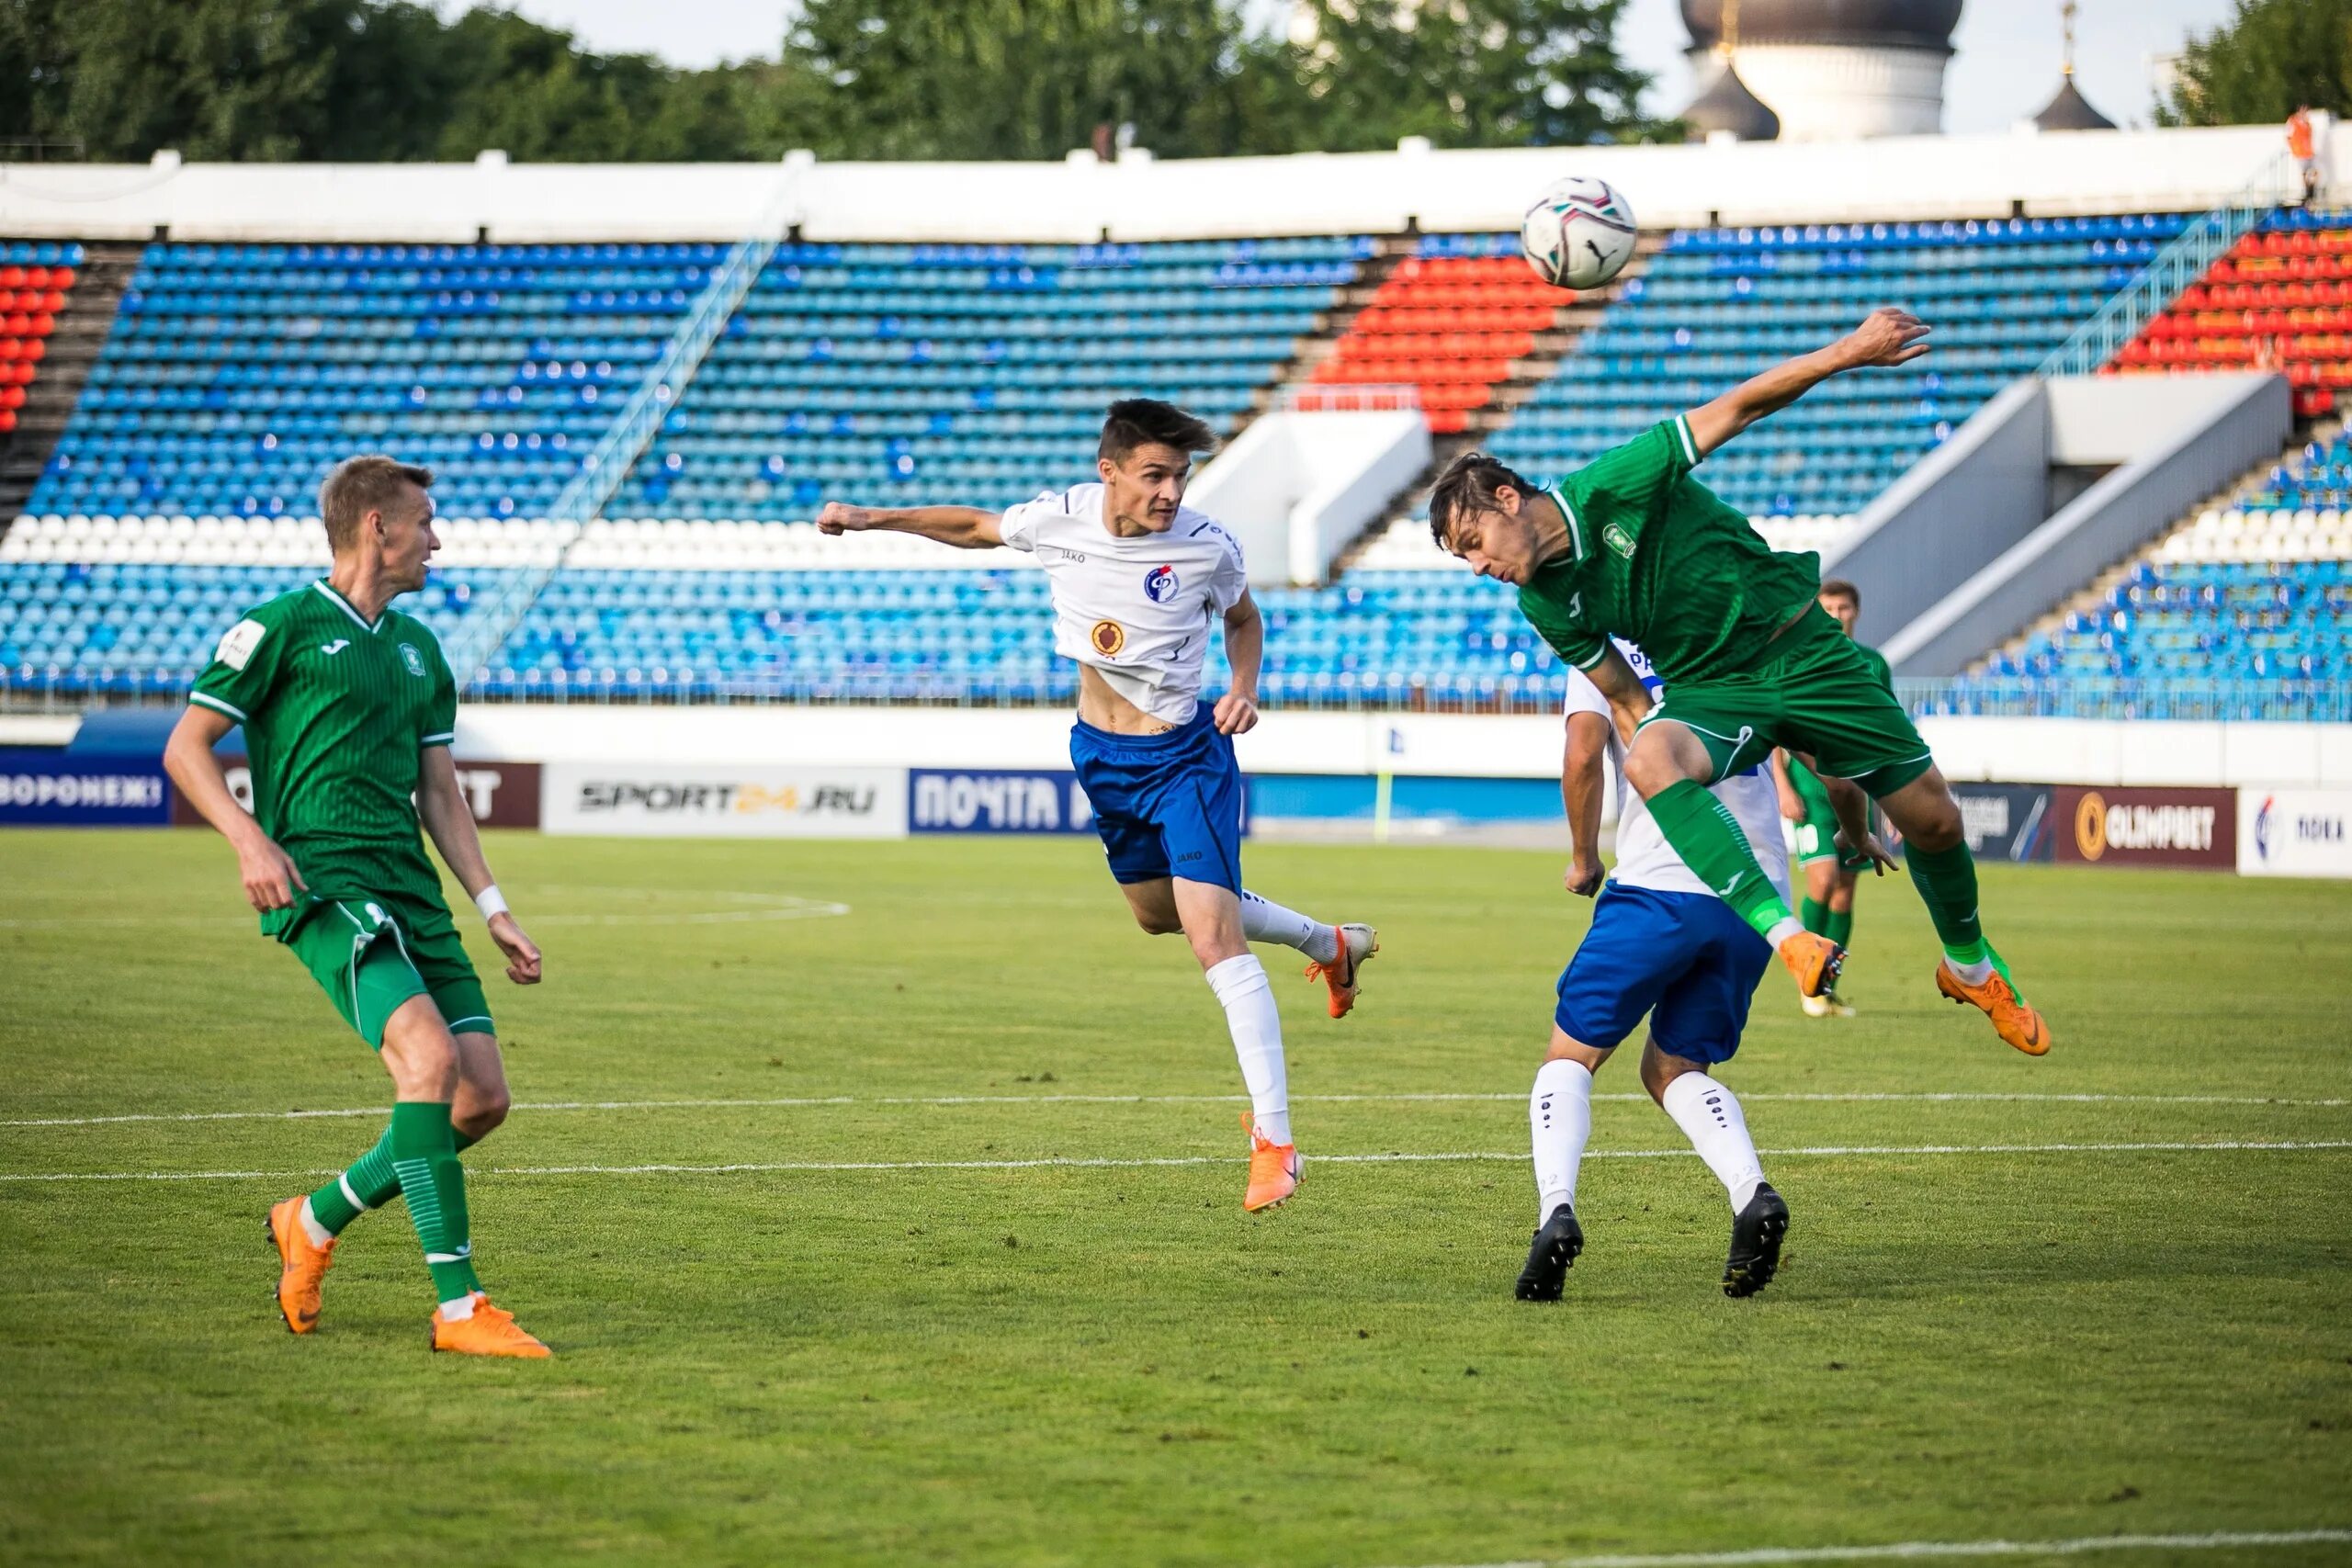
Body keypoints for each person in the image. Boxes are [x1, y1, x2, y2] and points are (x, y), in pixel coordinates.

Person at [1427, 308, 2049, 1057]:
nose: (1477, 567)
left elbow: (1740, 405)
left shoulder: (1612, 484)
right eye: (1462, 559)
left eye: (1474, 545)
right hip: (1714, 688)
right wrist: (1674, 799)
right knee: (1651, 757)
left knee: (1936, 821)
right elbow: (1627, 701)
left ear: (1505, 499)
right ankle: (1790, 938)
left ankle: (1969, 965)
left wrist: (1848, 352)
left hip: (1802, 646)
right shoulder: (1542, 601)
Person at [817, 399, 1378, 1213]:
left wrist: (1244, 688)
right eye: (1154, 475)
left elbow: (1245, 617)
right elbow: (975, 526)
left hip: (1187, 756)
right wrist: (873, 519)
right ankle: (1328, 943)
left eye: (1179, 476)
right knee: (1161, 916)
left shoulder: (1208, 545)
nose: (1170, 492)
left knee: (1212, 942)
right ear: (1108, 471)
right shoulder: (1060, 520)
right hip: (1103, 757)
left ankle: (1276, 1142)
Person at [163, 456, 551, 1358]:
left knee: (481, 1099)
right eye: (424, 520)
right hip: (325, 886)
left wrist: (492, 905)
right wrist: (250, 840)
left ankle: (314, 1217)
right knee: (428, 1061)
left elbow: (442, 794)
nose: (437, 538)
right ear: (376, 525)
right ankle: (460, 1309)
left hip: (411, 894)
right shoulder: (280, 627)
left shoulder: (418, 650)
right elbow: (188, 747)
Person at [1519, 636, 1863, 1301]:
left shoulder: (1602, 646)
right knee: (1672, 1067)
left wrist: (1584, 856)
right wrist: (1854, 831)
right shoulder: (1750, 639)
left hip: (1657, 884)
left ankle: (1554, 1213)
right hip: (1756, 902)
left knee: (1570, 1056)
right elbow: (1836, 759)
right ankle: (1751, 1192)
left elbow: (1583, 753)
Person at [1770, 578, 1888, 1019]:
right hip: (1813, 797)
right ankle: (1808, 979)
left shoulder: (1874, 664)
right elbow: (1775, 730)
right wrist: (1783, 787)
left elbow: (1886, 725)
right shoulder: (1798, 660)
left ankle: (1827, 986)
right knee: (1821, 882)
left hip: (1860, 794)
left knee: (1845, 893)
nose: (1837, 616)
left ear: (1856, 612)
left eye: (1844, 609)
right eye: (1829, 608)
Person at [2289, 107, 2320, 206]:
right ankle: (2307, 193)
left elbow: (2309, 138)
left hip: (2308, 152)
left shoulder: (2308, 124)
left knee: (2314, 173)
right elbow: (2288, 136)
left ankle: (2310, 191)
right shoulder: (2293, 122)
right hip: (2300, 152)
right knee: (2304, 173)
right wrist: (2294, 149)